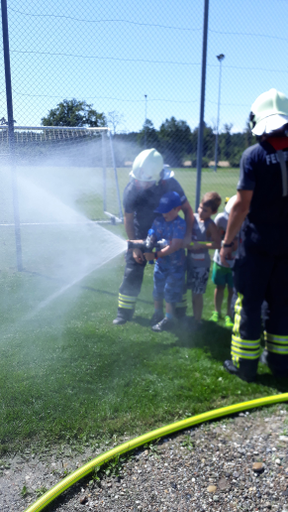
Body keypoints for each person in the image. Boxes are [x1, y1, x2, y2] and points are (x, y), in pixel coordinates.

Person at [220, 88, 288, 382]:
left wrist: (226, 243)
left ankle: (245, 366)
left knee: (248, 302)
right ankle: (280, 364)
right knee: (282, 304)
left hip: (257, 245)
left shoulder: (254, 155)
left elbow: (241, 206)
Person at [113, 148, 194, 325]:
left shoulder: (171, 184)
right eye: (138, 180)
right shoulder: (131, 188)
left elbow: (188, 211)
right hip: (142, 232)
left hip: (171, 232)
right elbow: (128, 218)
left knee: (175, 270)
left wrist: (186, 235)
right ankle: (124, 312)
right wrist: (135, 246)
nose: (141, 185)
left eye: (146, 182)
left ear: (159, 178)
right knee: (132, 271)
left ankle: (178, 311)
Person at [142, 191, 186, 331]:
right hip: (161, 265)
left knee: (169, 291)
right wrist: (150, 238)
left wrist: (155, 255)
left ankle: (169, 319)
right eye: (162, 211)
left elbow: (175, 246)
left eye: (167, 211)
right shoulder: (158, 221)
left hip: (175, 266)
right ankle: (157, 314)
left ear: (177, 209)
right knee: (158, 290)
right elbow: (152, 231)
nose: (164, 214)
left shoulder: (180, 224)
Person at [186, 192, 221, 327]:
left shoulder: (210, 225)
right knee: (191, 292)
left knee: (197, 294)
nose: (200, 212)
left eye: (205, 210)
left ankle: (197, 321)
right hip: (189, 261)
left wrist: (200, 244)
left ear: (214, 212)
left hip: (201, 264)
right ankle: (192, 317)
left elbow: (218, 244)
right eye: (200, 207)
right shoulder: (193, 218)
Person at [209, 195, 238, 328]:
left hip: (235, 263)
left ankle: (229, 314)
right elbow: (212, 234)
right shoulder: (221, 218)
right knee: (219, 287)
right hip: (219, 261)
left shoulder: (243, 220)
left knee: (232, 290)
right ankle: (217, 311)